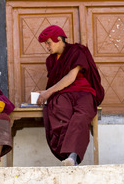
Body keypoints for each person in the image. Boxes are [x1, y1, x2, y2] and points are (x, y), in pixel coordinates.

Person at [37, 25, 104, 166]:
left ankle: (73, 157)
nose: (47, 47)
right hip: (63, 94)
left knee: (81, 116)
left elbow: (71, 77)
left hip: (83, 91)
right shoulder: (50, 60)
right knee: (60, 116)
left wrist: (48, 92)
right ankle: (68, 156)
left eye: (49, 43)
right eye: (45, 44)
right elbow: (56, 81)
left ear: (59, 39)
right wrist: (44, 92)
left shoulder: (77, 51)